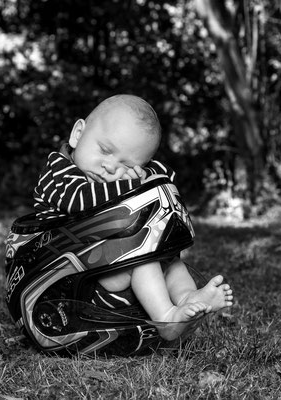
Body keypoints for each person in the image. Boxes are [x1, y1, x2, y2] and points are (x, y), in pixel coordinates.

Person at [33, 94, 233, 340]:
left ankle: (186, 297)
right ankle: (167, 317)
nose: (111, 167)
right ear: (77, 134)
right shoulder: (58, 171)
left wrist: (143, 177)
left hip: (106, 267)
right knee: (141, 255)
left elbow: (164, 178)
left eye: (127, 165)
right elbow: (77, 200)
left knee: (168, 259)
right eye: (105, 150)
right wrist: (133, 184)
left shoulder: (115, 178)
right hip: (67, 278)